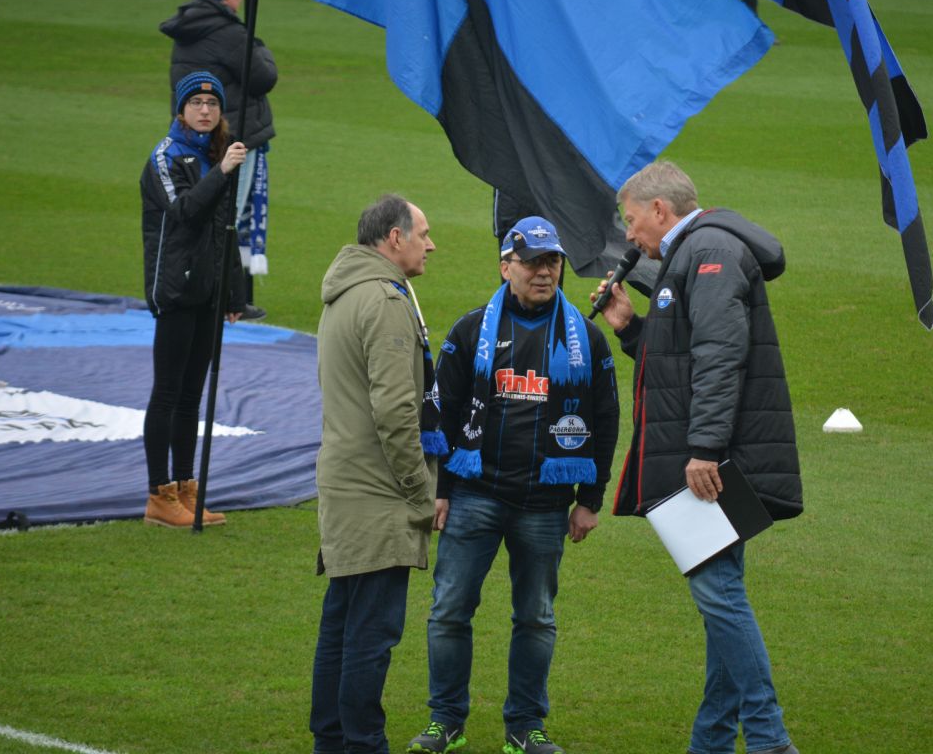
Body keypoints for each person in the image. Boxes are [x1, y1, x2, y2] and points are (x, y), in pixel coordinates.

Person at [592, 161, 803, 754]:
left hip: (715, 460)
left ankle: (768, 740)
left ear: (661, 210)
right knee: (721, 600)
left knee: (718, 596)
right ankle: (710, 743)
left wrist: (704, 449)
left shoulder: (708, 250)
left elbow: (718, 355)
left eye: (633, 222)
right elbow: (681, 362)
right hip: (716, 452)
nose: (630, 237)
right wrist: (630, 328)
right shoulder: (695, 254)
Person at [407, 218, 620, 754]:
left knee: (537, 617)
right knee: (450, 610)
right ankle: (446, 721)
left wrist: (589, 501)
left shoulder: (586, 338)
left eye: (552, 262)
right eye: (532, 263)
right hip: (475, 495)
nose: (544, 272)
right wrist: (441, 490)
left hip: (546, 506)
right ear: (506, 267)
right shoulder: (471, 330)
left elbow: (607, 419)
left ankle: (526, 727)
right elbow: (440, 413)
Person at [311, 195, 442, 754]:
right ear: (394, 238)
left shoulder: (344, 292)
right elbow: (395, 413)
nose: (431, 244)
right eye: (423, 234)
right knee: (370, 634)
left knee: (341, 626)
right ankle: (363, 744)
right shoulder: (385, 302)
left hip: (344, 484)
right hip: (378, 492)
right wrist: (420, 491)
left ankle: (331, 741)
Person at [140, 70, 246, 528]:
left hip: (207, 291)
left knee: (191, 396)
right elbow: (183, 212)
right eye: (196, 103)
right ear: (180, 110)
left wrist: (234, 290)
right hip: (176, 288)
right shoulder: (165, 158)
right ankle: (158, 494)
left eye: (213, 104)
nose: (205, 110)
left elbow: (226, 229)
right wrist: (221, 173)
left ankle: (185, 488)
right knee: (167, 392)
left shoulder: (218, 155)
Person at [161, 0, 278, 320]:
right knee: (227, 217)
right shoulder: (227, 33)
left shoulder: (190, 27)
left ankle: (228, 294)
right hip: (233, 139)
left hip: (198, 137)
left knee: (212, 211)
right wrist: (256, 43)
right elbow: (264, 76)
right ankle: (227, 299)